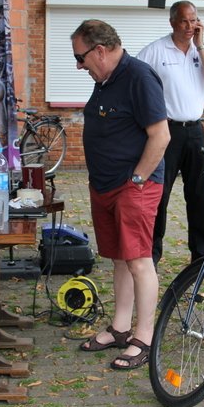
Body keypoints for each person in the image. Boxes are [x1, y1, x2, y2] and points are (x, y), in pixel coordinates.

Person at [71, 20, 170, 370]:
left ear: (99, 50)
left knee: (139, 260)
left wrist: (138, 179)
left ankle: (144, 337)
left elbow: (161, 135)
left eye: (80, 58)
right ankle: (120, 328)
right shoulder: (104, 80)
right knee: (119, 258)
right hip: (104, 185)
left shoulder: (139, 77)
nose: (79, 66)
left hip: (133, 187)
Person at [137, 0, 204, 265]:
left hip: (195, 131)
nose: (189, 26)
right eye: (184, 21)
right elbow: (133, 81)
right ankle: (151, 253)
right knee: (159, 193)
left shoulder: (201, 50)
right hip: (166, 132)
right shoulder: (155, 51)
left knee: (199, 192)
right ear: (172, 22)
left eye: (194, 20)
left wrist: (201, 45)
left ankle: (200, 255)